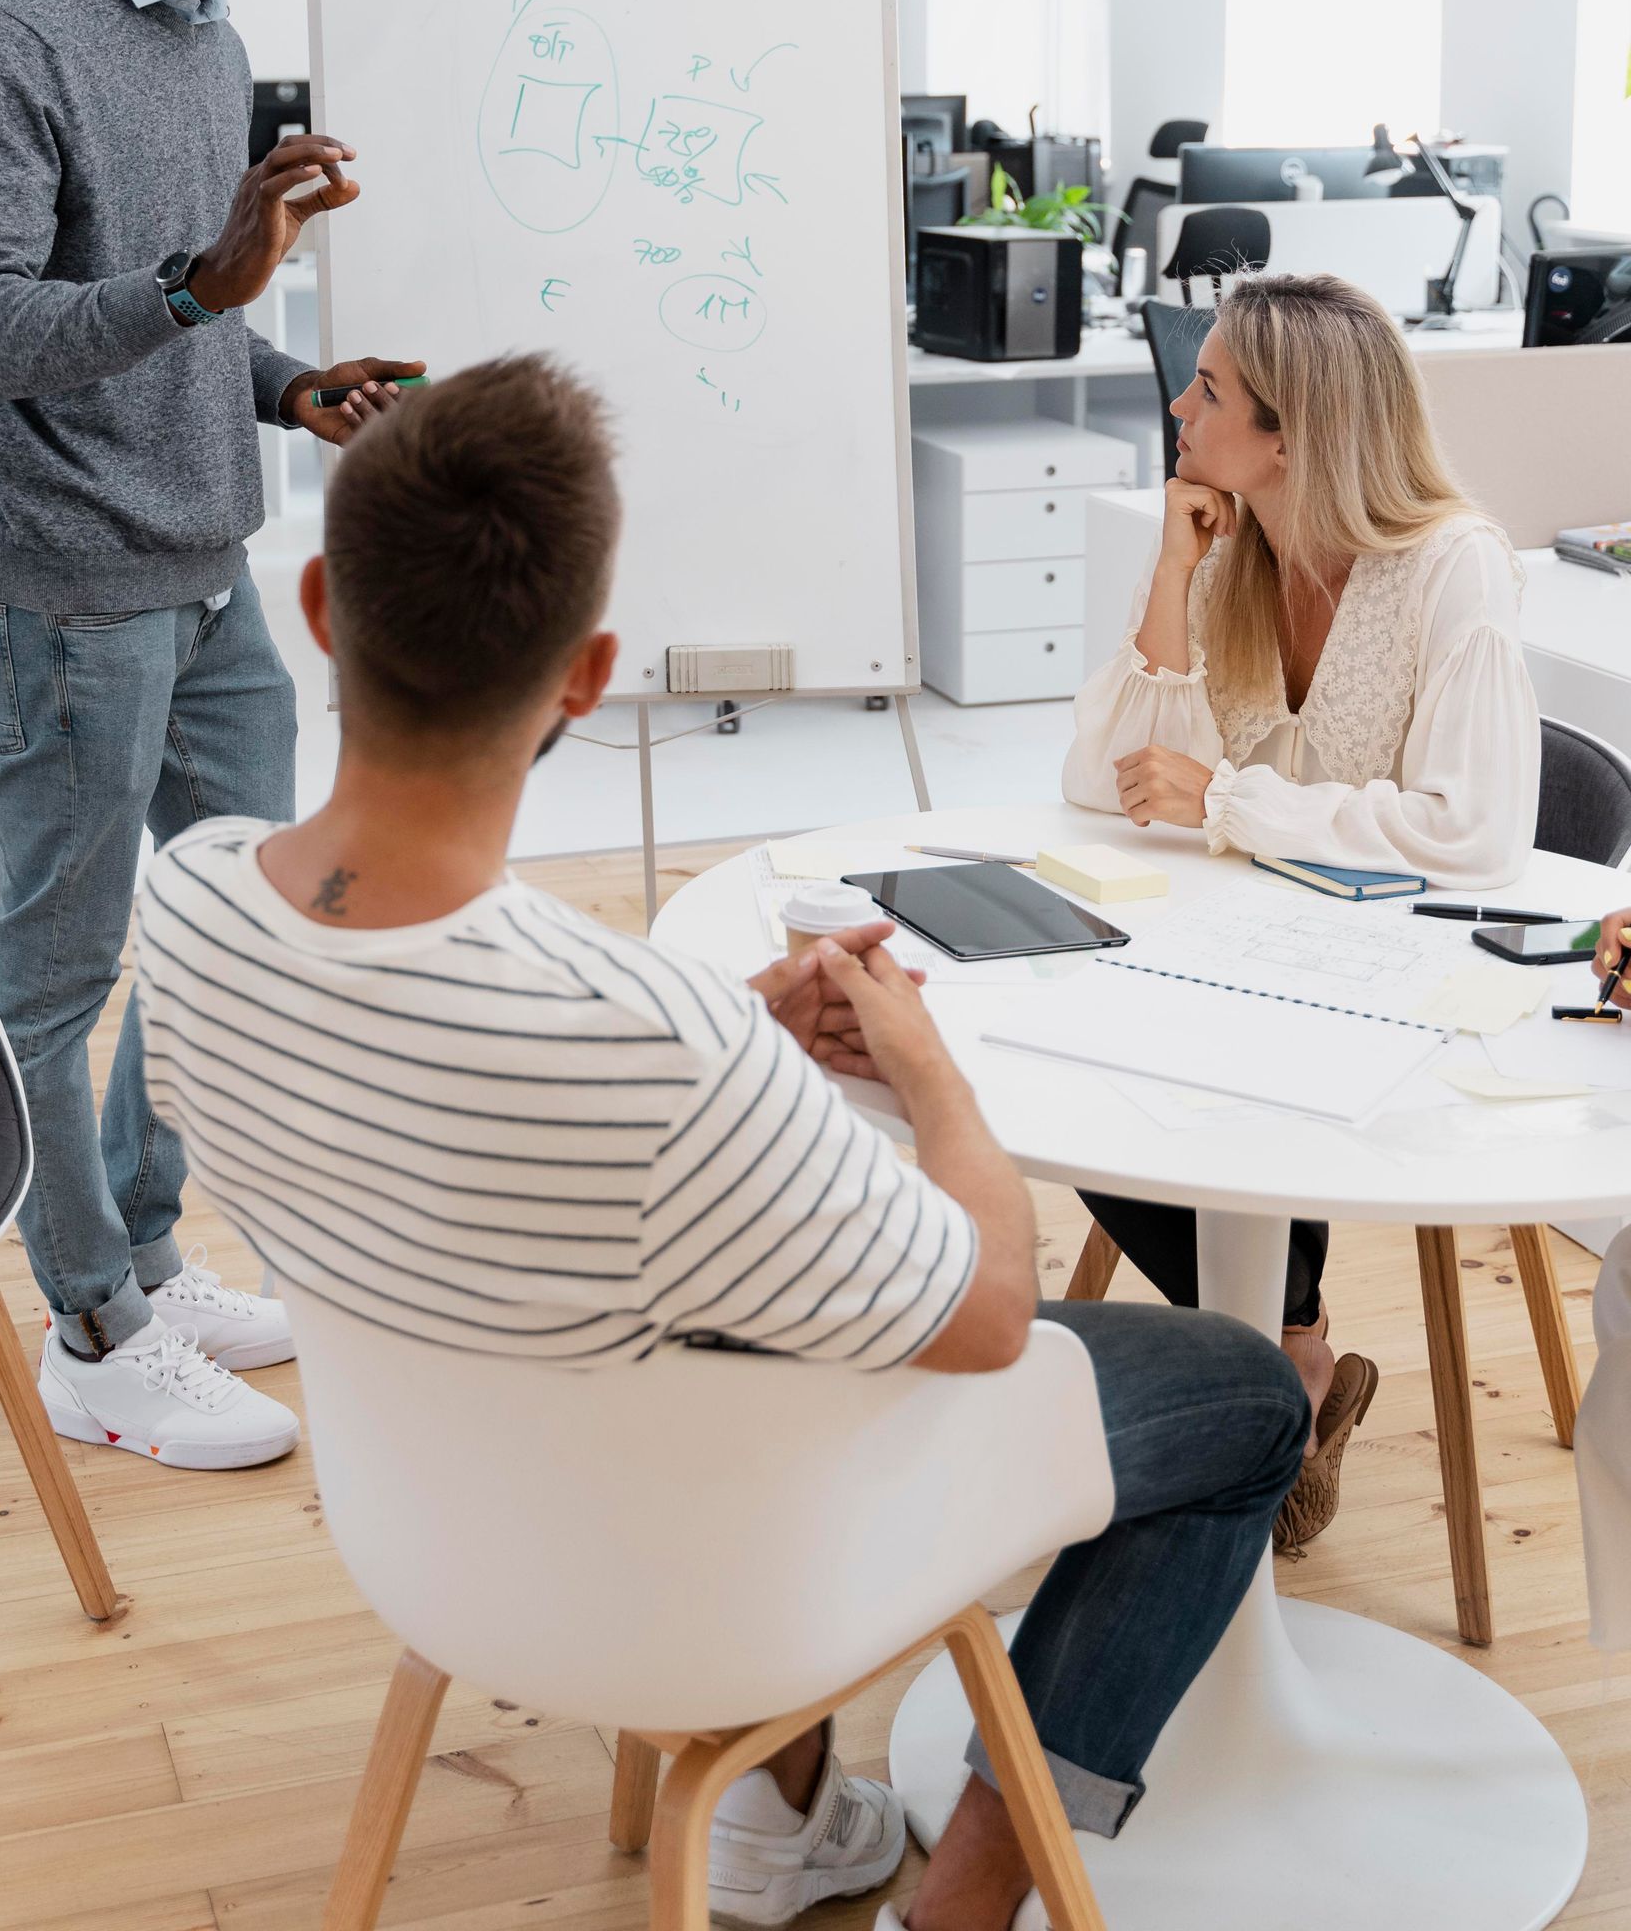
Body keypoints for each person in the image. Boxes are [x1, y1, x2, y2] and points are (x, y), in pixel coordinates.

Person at [133, 353, 1307, 1931]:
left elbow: (456, 1114)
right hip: (715, 1574)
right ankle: (957, 1900)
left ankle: (784, 1815)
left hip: (437, 1538)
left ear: (326, 607)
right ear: (588, 673)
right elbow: (985, 1319)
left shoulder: (194, 899)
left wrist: (731, 1045)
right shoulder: (644, 1043)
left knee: (732, 1291)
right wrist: (930, 1072)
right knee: (1238, 1392)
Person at [0, 0, 422, 1474]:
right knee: (57, 980)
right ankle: (90, 1329)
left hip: (214, 578)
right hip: (69, 598)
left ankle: (145, 1248)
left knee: (232, 941)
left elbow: (186, 310)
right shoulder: (12, 37)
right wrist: (201, 288)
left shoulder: (213, 42)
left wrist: (285, 379)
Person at [1064, 271, 1538, 1543]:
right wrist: (1172, 567)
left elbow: (1474, 837)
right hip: (1267, 949)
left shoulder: (1454, 570)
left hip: (1414, 979)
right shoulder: (1234, 551)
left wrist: (1229, 800)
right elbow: (1103, 785)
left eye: (1208, 388)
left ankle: (1266, 1383)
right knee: (1076, 1090)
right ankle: (1295, 1357)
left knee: (1211, 1085)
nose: (1177, 400)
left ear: (1293, 434)